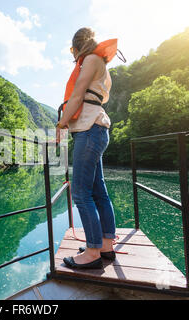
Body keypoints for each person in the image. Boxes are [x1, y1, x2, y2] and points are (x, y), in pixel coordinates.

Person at [55, 27, 116, 269]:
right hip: (97, 130)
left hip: (89, 130)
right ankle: (105, 245)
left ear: (78, 46)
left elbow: (78, 95)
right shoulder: (101, 63)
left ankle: (92, 253)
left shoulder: (90, 60)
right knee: (98, 190)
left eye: (72, 50)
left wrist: (60, 125)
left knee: (80, 193)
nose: (73, 55)